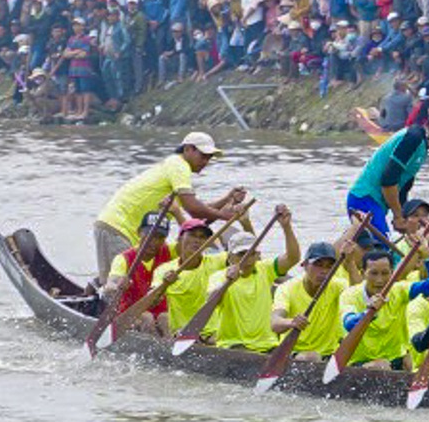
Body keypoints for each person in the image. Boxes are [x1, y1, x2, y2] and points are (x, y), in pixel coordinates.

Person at [94, 132, 245, 275]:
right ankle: (97, 293)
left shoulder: (177, 170)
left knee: (132, 279)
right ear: (187, 149)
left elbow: (196, 221)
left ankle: (93, 290)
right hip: (118, 227)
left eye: (209, 158)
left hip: (131, 232)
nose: (205, 162)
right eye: (203, 156)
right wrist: (224, 215)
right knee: (121, 284)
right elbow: (193, 209)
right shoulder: (179, 165)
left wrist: (227, 199)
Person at [346, 104, 429, 244]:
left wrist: (410, 217)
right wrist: (398, 216)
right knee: (382, 251)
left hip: (376, 203)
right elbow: (388, 181)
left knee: (385, 249)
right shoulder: (413, 138)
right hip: (365, 198)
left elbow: (403, 188)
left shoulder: (422, 144)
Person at [205, 207, 301, 350]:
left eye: (251, 253)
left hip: (267, 344)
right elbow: (210, 303)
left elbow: (293, 258)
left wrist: (286, 227)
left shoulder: (265, 269)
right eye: (241, 253)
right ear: (230, 256)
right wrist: (227, 282)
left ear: (257, 255)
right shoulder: (219, 276)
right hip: (233, 344)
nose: (247, 258)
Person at [269, 234, 350, 356]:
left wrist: (350, 263)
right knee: (311, 356)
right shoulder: (287, 288)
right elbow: (275, 323)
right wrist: (291, 323)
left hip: (329, 353)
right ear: (304, 265)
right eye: (318, 265)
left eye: (329, 266)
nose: (324, 271)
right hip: (295, 353)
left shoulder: (339, 286)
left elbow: (359, 295)